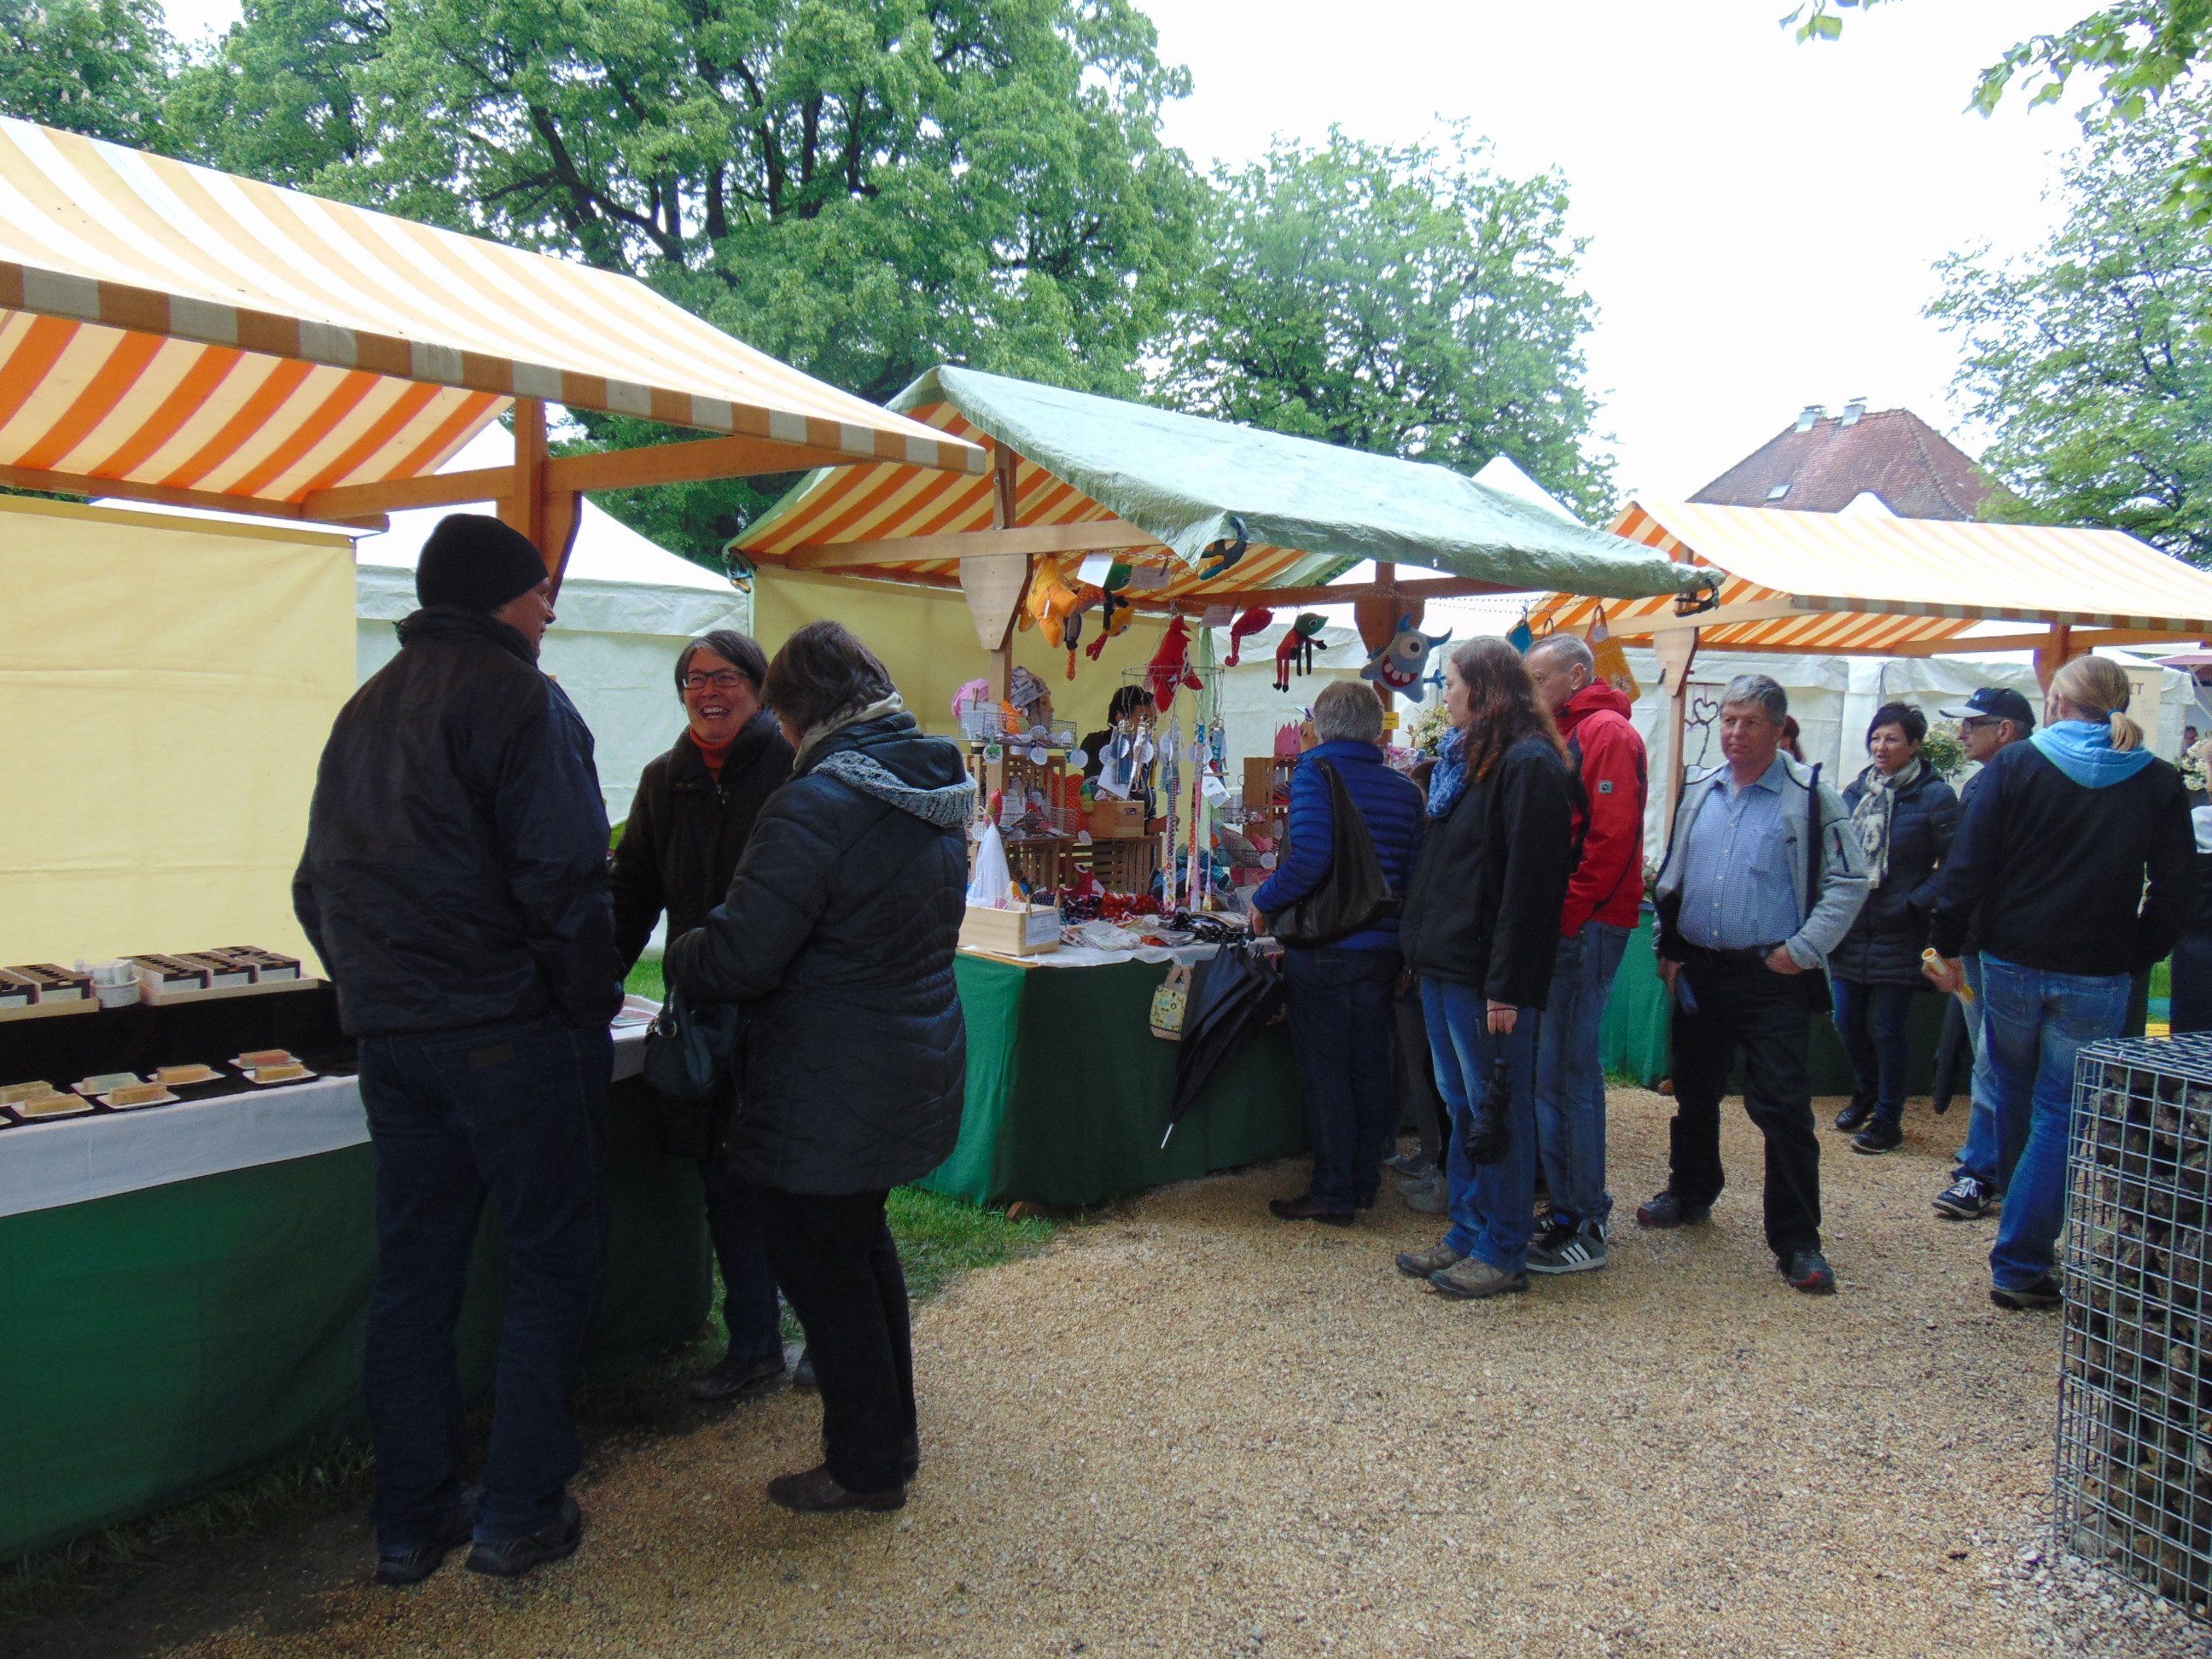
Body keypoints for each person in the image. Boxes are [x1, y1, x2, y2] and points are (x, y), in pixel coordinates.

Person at [294, 514, 621, 1584]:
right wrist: (584, 1006)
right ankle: (519, 1511)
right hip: (503, 1034)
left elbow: (315, 887)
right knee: (551, 1258)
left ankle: (411, 1517)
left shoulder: (364, 709)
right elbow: (566, 880)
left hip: (395, 1041)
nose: (551, 607)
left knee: (415, 1273)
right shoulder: (523, 699)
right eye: (539, 590)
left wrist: (376, 991)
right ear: (500, 597)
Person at [665, 621, 972, 1512]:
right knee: (859, 1251)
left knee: (825, 1269)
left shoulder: (816, 803)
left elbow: (742, 956)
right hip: (899, 1057)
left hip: (829, 1076)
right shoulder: (929, 786)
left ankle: (867, 1465)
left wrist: (684, 951)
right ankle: (891, 1440)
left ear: (796, 715)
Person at [1926, 656, 2197, 1310]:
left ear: (2056, 703)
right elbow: (2177, 886)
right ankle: (2021, 1261)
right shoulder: (2157, 779)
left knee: (2012, 1091)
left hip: (2011, 959)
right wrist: (2142, 951)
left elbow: (1968, 864)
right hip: (2098, 967)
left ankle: (2015, 1237)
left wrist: (1945, 943)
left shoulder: (2016, 766)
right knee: (2061, 1114)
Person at [608, 631, 796, 1402]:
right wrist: (597, 981)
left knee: (803, 1183)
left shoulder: (791, 769)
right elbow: (631, 894)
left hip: (786, 1009)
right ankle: (754, 1344)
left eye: (723, 677)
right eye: (693, 679)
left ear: (758, 687)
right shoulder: (666, 779)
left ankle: (831, 1338)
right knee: (723, 1177)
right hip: (705, 1012)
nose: (707, 692)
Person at [1636, 674, 1868, 1296]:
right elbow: (1672, 875)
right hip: (1702, 971)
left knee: (1783, 1107)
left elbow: (1850, 881)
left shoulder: (1811, 796)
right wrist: (1668, 947)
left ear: (1779, 728)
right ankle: (1690, 1191)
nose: (1735, 733)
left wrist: (1803, 951)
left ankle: (1797, 1240)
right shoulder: (1701, 790)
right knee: (1694, 1092)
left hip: (1772, 976)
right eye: (1729, 720)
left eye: (1750, 723)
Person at [1393, 638, 1576, 1301]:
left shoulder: (1528, 764)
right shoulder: (1469, 762)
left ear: (1485, 689)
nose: (1445, 694)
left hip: (1483, 977)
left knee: (1495, 1110)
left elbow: (1530, 889)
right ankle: (1469, 1230)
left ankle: (1502, 1246)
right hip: (1447, 964)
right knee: (1463, 1104)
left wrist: (1506, 986)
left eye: (1452, 682)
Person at [1251, 680, 1426, 1224]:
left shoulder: (1316, 773)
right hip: (1382, 949)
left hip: (1326, 945)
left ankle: (1332, 1192)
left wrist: (1263, 900)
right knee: (1370, 1066)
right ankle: (1364, 1182)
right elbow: (1414, 878)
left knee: (1327, 1071)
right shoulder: (1404, 790)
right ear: (1374, 728)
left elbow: (1310, 859)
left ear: (1323, 724)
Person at [1520, 634, 1647, 1273]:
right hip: (1573, 923)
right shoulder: (1566, 732)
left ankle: (1584, 1219)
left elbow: (1611, 838)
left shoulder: (1606, 733)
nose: (1531, 690)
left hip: (1588, 925)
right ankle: (1570, 1205)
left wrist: (1568, 912)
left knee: (1567, 1074)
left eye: (1539, 679)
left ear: (1575, 676)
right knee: (1557, 1073)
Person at [1827, 702, 1959, 1156]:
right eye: (1876, 737)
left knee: (1887, 1029)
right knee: (1846, 1021)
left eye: (1893, 739)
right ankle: (1865, 1091)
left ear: (1915, 745)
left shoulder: (1935, 797)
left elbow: (1955, 865)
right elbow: (1836, 850)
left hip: (1901, 931)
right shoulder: (1856, 791)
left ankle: (1888, 1118)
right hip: (1854, 927)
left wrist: (1915, 901)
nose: (1881, 747)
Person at [1927, 686, 2036, 1220]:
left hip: (1999, 945)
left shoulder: (2010, 782)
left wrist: (1947, 941)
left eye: (1974, 724)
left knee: (1993, 1060)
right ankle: (2000, 1166)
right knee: (1991, 1058)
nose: (1962, 732)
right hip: (1983, 943)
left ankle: (1985, 1172)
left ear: (2006, 730)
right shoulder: (1985, 782)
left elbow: (1972, 869)